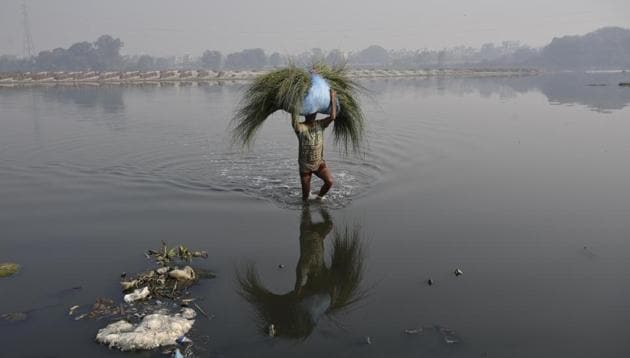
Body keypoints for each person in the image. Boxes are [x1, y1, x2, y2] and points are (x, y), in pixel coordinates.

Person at [291, 89, 337, 202]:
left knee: (329, 181)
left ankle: (319, 197)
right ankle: (306, 211)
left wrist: (333, 98)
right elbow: (293, 119)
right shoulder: (300, 127)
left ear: (316, 114)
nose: (312, 115)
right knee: (305, 198)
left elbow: (332, 117)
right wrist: (293, 98)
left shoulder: (320, 124)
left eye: (314, 113)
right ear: (305, 114)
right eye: (309, 113)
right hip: (305, 166)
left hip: (318, 163)